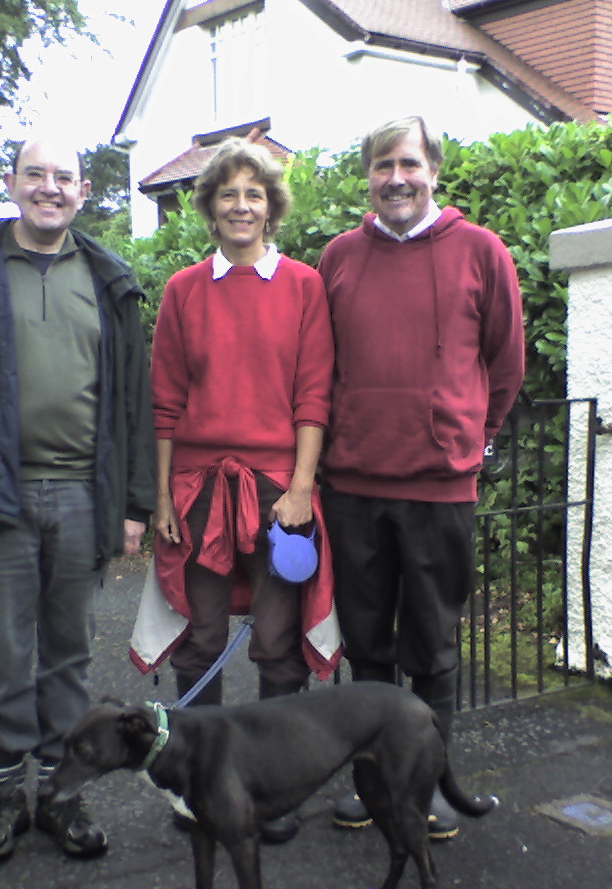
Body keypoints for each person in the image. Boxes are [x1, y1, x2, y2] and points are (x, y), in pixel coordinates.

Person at [0, 135, 156, 864]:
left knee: (69, 654)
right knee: (4, 653)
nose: (50, 188)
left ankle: (61, 791)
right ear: (11, 183)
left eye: (65, 177)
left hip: (83, 494)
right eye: (36, 174)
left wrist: (134, 504)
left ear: (84, 192)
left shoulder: (110, 280)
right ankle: (4, 792)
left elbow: (135, 402)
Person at [318, 115, 525, 838]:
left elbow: (505, 365)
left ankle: (427, 786)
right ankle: (374, 786)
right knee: (369, 647)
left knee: (433, 649)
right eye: (382, 165)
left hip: (439, 488)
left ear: (434, 169)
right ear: (368, 176)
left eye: (408, 163)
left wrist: (471, 438)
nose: (396, 178)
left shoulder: (481, 251)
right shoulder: (338, 258)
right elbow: (322, 367)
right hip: (352, 486)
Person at [130, 137, 341, 843]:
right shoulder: (184, 290)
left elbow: (314, 398)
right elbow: (165, 403)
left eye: (254, 193)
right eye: (229, 194)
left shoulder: (305, 286)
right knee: (199, 638)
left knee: (278, 645)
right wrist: (161, 498)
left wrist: (303, 487)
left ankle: (274, 791)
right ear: (211, 209)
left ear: (271, 206)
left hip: (279, 492)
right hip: (197, 490)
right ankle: (200, 788)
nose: (241, 205)